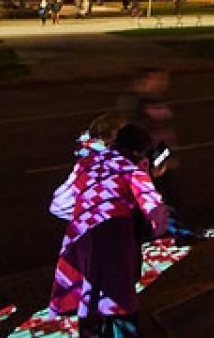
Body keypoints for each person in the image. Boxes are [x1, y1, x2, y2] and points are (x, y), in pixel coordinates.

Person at [49, 123, 169, 338]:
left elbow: (58, 204)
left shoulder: (85, 163)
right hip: (114, 237)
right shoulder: (131, 170)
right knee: (118, 298)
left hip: (80, 236)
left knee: (90, 292)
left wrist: (86, 211)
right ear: (137, 150)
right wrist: (156, 228)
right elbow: (155, 211)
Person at [117, 68, 208, 243]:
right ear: (146, 80)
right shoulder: (135, 103)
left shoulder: (156, 100)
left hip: (164, 163)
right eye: (158, 80)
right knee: (159, 201)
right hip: (152, 165)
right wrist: (156, 161)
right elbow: (136, 136)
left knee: (170, 199)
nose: (163, 85)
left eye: (165, 81)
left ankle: (169, 235)